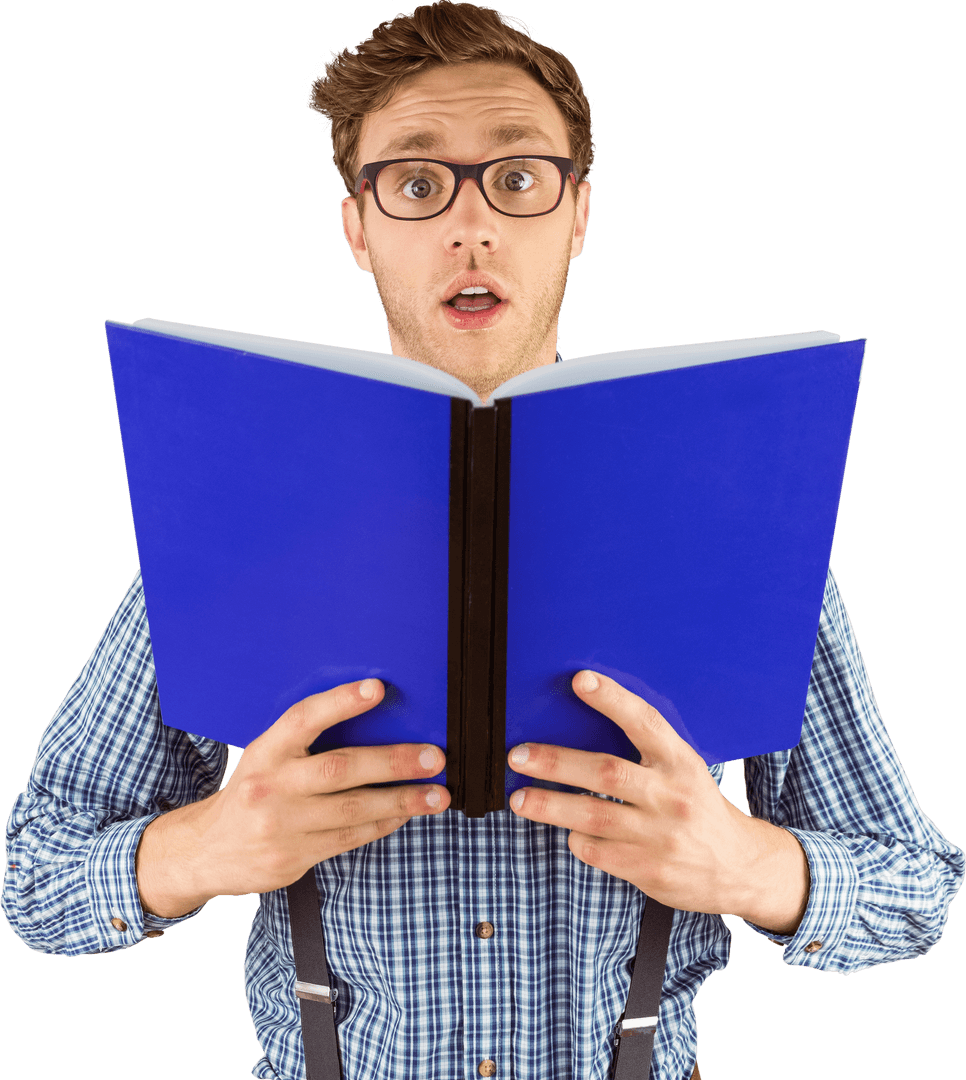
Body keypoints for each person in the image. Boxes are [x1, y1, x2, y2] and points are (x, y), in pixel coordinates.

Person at [3, 3, 963, 1079]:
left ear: (579, 214)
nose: (474, 227)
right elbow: (37, 880)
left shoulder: (734, 517)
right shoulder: (239, 515)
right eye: (418, 185)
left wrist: (749, 865)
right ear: (359, 228)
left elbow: (913, 887)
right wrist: (202, 849)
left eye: (517, 178)